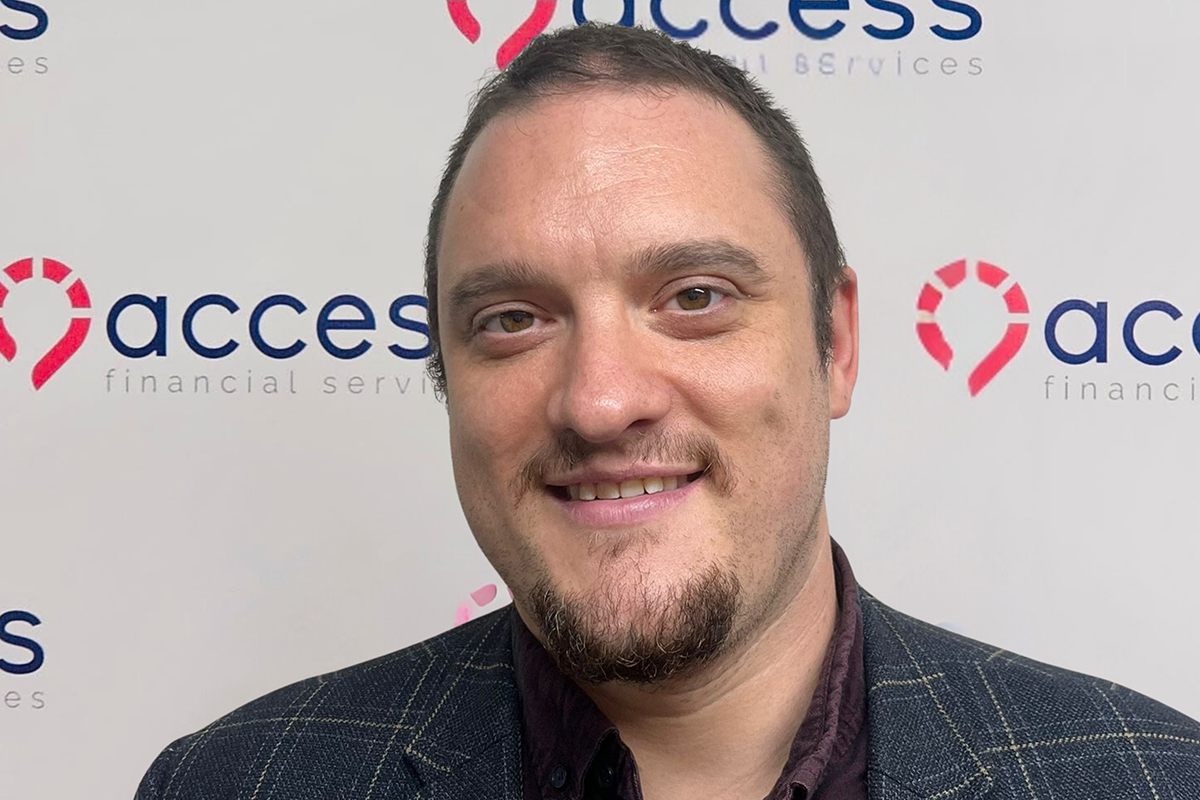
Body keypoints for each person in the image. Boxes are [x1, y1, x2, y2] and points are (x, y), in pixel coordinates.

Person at [136, 23, 1200, 800]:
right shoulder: (236, 781)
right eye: (513, 319)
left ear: (835, 343)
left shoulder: (1150, 778)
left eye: (695, 298)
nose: (601, 401)